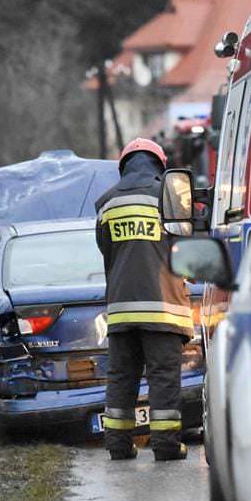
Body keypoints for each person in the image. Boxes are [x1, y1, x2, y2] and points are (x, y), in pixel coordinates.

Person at [95, 138, 192, 461]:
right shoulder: (171, 196)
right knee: (163, 377)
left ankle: (119, 445)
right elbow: (186, 248)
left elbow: (107, 250)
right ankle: (166, 445)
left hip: (121, 310)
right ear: (159, 165)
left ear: (124, 166)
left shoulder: (107, 203)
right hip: (164, 309)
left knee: (121, 377)